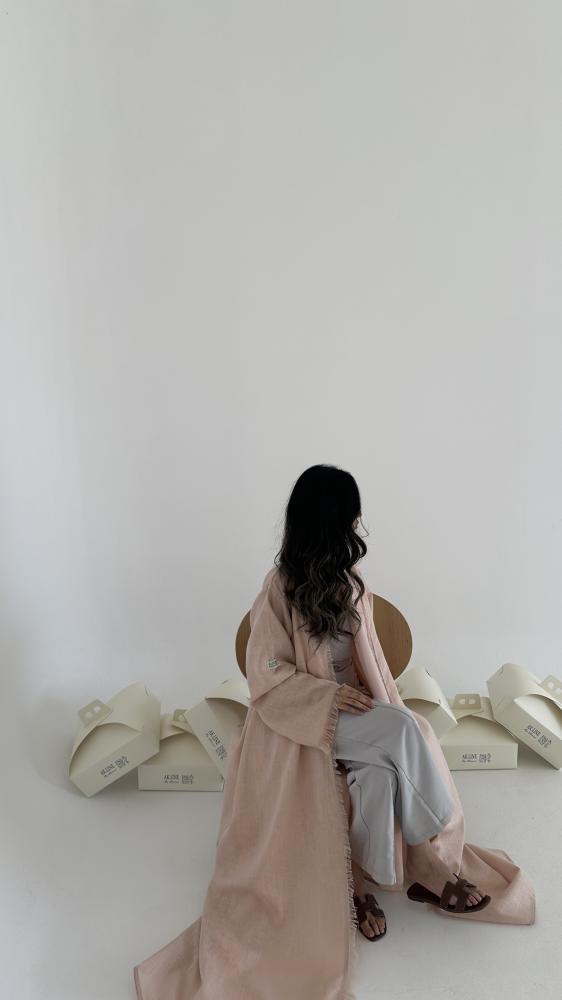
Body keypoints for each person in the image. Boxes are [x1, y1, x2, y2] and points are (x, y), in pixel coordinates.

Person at [276, 464, 490, 940]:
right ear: (329, 521)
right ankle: (429, 862)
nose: (357, 523)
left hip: (357, 711)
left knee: (380, 774)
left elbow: (370, 657)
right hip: (310, 717)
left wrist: (376, 700)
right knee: (408, 728)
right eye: (351, 514)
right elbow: (266, 675)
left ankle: (360, 884)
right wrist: (329, 696)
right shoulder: (278, 589)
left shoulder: (350, 581)